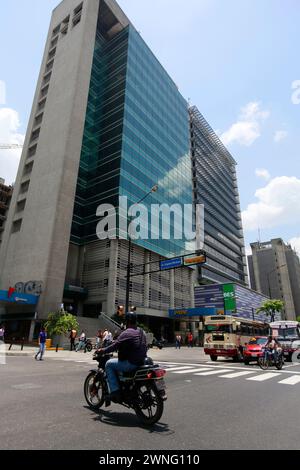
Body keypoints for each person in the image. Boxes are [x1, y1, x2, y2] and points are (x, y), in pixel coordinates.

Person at [97, 312, 147, 402]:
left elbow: (115, 346)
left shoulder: (126, 333)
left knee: (109, 364)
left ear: (127, 322)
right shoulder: (141, 331)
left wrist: (103, 350)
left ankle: (115, 392)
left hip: (131, 363)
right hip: (142, 361)